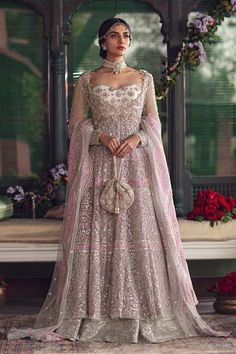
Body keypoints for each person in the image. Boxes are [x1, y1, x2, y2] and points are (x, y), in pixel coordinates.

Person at [8, 17, 231, 343]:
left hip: (135, 167)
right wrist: (99, 136)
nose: (122, 40)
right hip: (99, 167)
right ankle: (93, 314)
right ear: (102, 41)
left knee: (138, 232)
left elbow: (153, 124)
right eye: (114, 35)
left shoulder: (143, 79)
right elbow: (75, 127)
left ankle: (143, 315)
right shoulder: (87, 80)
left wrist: (138, 138)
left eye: (126, 35)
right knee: (98, 232)